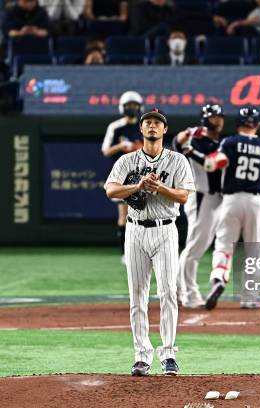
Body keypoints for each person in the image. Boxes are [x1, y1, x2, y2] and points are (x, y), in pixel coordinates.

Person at [104, 108, 195, 376]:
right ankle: (142, 355)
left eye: (157, 123)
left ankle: (168, 354)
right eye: (148, 123)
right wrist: (139, 186)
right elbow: (111, 190)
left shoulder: (177, 161)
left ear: (165, 130)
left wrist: (160, 188)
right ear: (141, 130)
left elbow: (184, 196)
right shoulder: (126, 160)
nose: (152, 127)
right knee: (137, 296)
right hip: (134, 231)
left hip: (166, 230)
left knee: (168, 292)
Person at [203, 106, 260, 310]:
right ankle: (248, 297)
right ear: (257, 125)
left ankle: (219, 277)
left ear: (237, 124)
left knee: (224, 244)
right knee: (253, 250)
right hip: (256, 201)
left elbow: (213, 164)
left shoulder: (228, 143)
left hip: (231, 199)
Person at [172, 104, 225, 309]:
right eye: (214, 117)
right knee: (195, 246)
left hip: (214, 198)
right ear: (205, 119)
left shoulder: (216, 142)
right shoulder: (198, 139)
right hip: (201, 195)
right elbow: (176, 143)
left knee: (198, 245)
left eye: (220, 117)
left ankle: (177, 289)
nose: (218, 120)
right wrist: (189, 132)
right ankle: (189, 294)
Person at [101, 91, 145, 264]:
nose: (131, 109)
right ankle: (125, 252)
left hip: (143, 174)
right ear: (122, 107)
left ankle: (143, 250)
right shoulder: (115, 127)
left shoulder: (144, 125)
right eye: (128, 106)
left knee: (145, 214)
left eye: (134, 105)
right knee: (124, 214)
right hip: (122, 175)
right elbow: (105, 150)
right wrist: (120, 145)